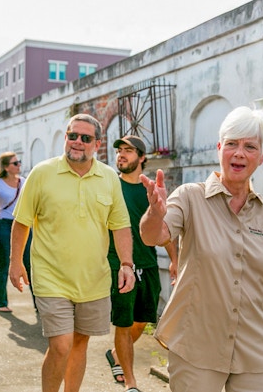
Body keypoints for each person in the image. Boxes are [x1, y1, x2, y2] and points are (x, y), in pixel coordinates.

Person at [139, 106, 263, 392]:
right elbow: (154, 236)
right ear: (219, 148)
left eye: (250, 146)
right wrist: (154, 212)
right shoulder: (190, 197)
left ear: (262, 156)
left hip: (255, 350)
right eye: (232, 143)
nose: (239, 153)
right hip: (197, 347)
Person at [8, 113, 137, 392]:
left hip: (93, 279)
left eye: (85, 138)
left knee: (80, 343)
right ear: (66, 137)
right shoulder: (42, 173)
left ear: (97, 144)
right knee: (61, 343)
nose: (77, 142)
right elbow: (22, 222)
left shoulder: (109, 179)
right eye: (72, 135)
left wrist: (126, 264)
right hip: (51, 276)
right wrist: (15, 262)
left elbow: (120, 227)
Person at [105, 135, 179, 392]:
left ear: (142, 157)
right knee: (123, 322)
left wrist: (175, 260)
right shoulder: (110, 187)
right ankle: (131, 383)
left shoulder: (151, 190)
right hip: (119, 265)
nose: (121, 155)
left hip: (147, 265)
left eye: (128, 151)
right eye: (119, 151)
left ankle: (115, 354)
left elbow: (164, 227)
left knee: (143, 321)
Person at [0, 152, 34, 313]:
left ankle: (39, 305)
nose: (19, 165)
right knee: (6, 264)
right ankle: (1, 303)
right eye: (15, 163)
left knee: (30, 263)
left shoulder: (24, 182)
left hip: (23, 225)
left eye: (19, 162)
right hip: (4, 226)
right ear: (6, 167)